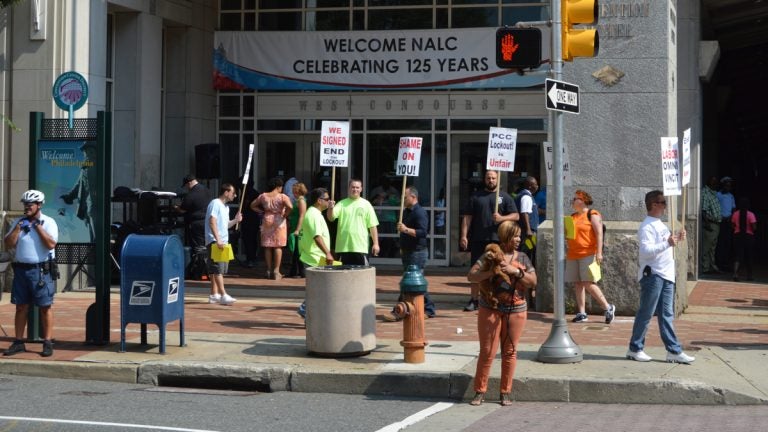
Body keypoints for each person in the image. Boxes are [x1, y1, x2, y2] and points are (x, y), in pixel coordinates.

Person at [467, 221, 536, 406]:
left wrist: (516, 272)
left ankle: (505, 392)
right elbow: (471, 276)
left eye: (519, 235)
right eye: (515, 236)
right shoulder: (489, 256)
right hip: (490, 308)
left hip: (516, 310)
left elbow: (533, 281)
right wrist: (490, 272)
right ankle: (479, 391)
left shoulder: (522, 258)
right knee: (487, 352)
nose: (518, 239)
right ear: (505, 236)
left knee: (510, 351)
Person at [626, 190, 695, 364]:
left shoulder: (659, 224)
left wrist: (677, 238)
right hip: (654, 275)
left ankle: (673, 350)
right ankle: (635, 348)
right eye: (663, 202)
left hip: (665, 275)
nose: (665, 205)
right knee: (646, 313)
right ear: (654, 204)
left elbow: (665, 245)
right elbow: (646, 251)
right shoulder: (647, 226)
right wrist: (667, 243)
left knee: (666, 315)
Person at [4, 190, 59, 357]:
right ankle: (19, 342)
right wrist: (19, 228)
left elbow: (51, 244)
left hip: (41, 270)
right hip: (21, 269)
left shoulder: (48, 222)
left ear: (39, 205)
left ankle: (47, 342)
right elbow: (8, 244)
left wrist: (37, 226)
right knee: (20, 307)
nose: (27, 207)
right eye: (25, 204)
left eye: (31, 204)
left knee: (45, 307)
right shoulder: (17, 222)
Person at [459, 170, 519, 312]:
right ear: (484, 179)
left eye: (493, 178)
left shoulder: (505, 197)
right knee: (476, 269)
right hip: (479, 240)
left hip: (499, 242)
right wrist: (463, 236)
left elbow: (516, 216)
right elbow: (467, 218)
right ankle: (474, 299)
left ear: (497, 179)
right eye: (488, 178)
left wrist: (502, 218)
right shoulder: (476, 197)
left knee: (501, 270)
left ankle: (501, 297)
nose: (491, 180)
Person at [383, 186, 436, 321]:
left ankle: (400, 310)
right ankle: (418, 308)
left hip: (417, 253)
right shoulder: (406, 211)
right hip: (407, 252)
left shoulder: (420, 212)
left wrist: (406, 230)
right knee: (411, 283)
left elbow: (423, 232)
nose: (402, 199)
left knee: (412, 282)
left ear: (413, 197)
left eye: (405, 197)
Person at [566, 190, 615, 324]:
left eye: (576, 198)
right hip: (573, 253)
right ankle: (582, 313)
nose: (573, 201)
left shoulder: (592, 214)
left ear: (583, 200)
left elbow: (599, 234)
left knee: (588, 282)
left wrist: (599, 253)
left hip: (588, 253)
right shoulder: (572, 216)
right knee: (577, 283)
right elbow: (570, 235)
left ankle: (607, 307)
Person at [296, 188, 335, 318]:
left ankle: (310, 313)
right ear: (319, 200)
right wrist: (328, 253)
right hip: (313, 258)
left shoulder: (316, 213)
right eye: (327, 199)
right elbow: (317, 236)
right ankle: (305, 309)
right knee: (318, 289)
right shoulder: (313, 214)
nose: (329, 201)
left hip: (316, 257)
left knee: (319, 289)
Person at [327, 179, 380, 264]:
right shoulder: (341, 204)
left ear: (361, 189)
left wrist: (376, 244)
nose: (355, 189)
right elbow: (331, 218)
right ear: (348, 188)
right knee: (343, 275)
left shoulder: (366, 204)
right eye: (353, 187)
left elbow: (372, 226)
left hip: (361, 247)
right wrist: (330, 208)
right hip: (343, 247)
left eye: (357, 187)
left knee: (361, 275)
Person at [205, 184, 242, 305]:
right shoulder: (215, 203)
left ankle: (214, 294)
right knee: (218, 269)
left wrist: (236, 220)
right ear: (226, 192)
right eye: (233, 192)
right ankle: (223, 294)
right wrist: (218, 239)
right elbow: (212, 221)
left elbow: (225, 225)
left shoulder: (225, 207)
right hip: (216, 241)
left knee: (218, 269)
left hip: (223, 241)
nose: (234, 195)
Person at [251, 177, 293, 280]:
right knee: (278, 246)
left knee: (268, 246)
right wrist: (285, 213)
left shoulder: (263, 196)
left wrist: (261, 212)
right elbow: (290, 207)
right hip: (279, 220)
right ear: (278, 186)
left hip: (267, 219)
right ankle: (276, 270)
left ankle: (269, 270)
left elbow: (252, 205)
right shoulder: (282, 196)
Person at [59, 142, 96, 242]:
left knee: (96, 237)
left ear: (91, 151)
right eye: (84, 152)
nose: (84, 154)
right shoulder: (85, 167)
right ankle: (93, 256)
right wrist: (69, 196)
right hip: (89, 208)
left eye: (85, 151)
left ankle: (96, 255)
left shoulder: (96, 166)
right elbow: (79, 185)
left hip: (95, 208)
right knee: (93, 238)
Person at [174, 174, 210, 276]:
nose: (186, 188)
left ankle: (198, 271)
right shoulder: (206, 190)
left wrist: (176, 207)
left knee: (197, 247)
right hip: (206, 222)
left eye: (186, 186)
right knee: (204, 246)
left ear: (189, 183)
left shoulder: (191, 194)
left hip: (196, 223)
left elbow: (182, 210)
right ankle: (205, 270)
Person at [514, 176, 540, 266]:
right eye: (535, 184)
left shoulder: (526, 195)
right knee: (527, 254)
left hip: (527, 230)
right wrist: (528, 229)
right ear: (530, 186)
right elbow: (524, 213)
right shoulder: (526, 196)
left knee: (528, 253)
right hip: (528, 232)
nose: (537, 186)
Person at [731, 197, 757, 282]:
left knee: (738, 256)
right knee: (749, 256)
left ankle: (735, 274)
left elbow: (732, 225)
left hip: (737, 236)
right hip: (748, 237)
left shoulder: (735, 214)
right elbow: (754, 227)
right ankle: (749, 275)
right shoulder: (751, 214)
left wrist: (737, 229)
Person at [699, 176, 721, 274]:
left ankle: (712, 267)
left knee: (712, 247)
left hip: (716, 224)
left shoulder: (713, 193)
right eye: (713, 182)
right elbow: (703, 211)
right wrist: (707, 224)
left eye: (716, 182)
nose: (715, 184)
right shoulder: (706, 193)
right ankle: (705, 268)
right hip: (710, 224)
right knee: (706, 247)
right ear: (708, 182)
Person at [715, 177, 736, 271]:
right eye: (726, 185)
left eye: (729, 186)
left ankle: (726, 262)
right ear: (723, 185)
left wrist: (732, 218)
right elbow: (715, 207)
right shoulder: (718, 195)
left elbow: (733, 208)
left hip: (728, 221)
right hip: (720, 221)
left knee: (728, 242)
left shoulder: (731, 196)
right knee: (720, 243)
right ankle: (719, 262)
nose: (728, 187)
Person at [288, 182, 308, 278]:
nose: (293, 193)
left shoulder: (301, 201)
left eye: (294, 191)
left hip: (297, 227)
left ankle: (299, 271)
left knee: (297, 250)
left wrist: (297, 229)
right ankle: (295, 271)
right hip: (294, 225)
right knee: (295, 250)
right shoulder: (298, 200)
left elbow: (302, 215)